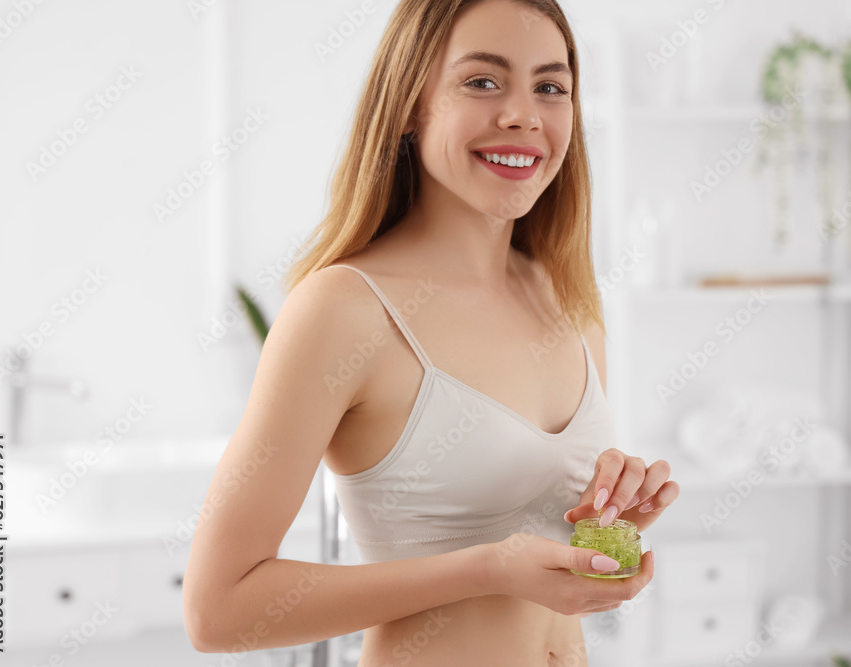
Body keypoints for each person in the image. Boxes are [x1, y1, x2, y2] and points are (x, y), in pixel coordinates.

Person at [183, 0, 680, 664]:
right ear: (412, 104)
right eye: (482, 81)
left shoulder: (569, 300)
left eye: (550, 87)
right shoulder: (342, 310)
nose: (523, 114)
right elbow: (219, 611)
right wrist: (485, 568)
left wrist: (605, 518)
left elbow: (536, 533)